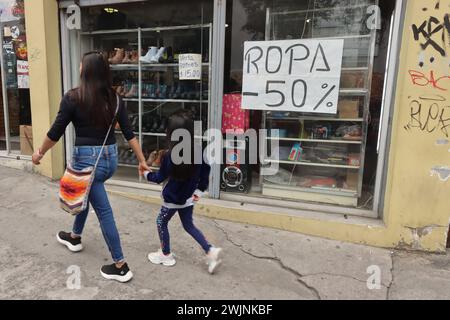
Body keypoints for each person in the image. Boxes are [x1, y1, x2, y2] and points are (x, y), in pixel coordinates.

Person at [32, 51, 149, 283]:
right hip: (110, 159)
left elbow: (55, 133)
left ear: (86, 70)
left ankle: (121, 265)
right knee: (86, 193)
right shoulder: (115, 99)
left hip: (88, 161)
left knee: (104, 211)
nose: (78, 67)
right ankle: (75, 237)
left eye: (80, 64)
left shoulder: (73, 98)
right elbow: (129, 133)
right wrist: (142, 160)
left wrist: (39, 153)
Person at [143, 111, 223, 274]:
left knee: (161, 222)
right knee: (188, 225)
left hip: (171, 200)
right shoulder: (198, 151)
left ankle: (165, 254)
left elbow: (158, 178)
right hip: (188, 198)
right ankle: (210, 250)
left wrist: (145, 174)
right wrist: (200, 191)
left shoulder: (169, 156)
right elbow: (205, 173)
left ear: (171, 134)